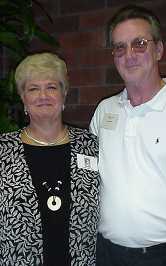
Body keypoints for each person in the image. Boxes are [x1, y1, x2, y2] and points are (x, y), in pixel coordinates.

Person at [90, 4, 166, 266]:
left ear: (158, 50)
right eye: (119, 47)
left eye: (139, 44)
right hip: (108, 255)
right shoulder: (104, 111)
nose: (129, 55)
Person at [0, 52, 100, 266]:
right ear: (23, 98)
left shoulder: (91, 146)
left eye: (51, 87)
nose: (43, 96)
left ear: (64, 94)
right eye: (33, 89)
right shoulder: (2, 149)